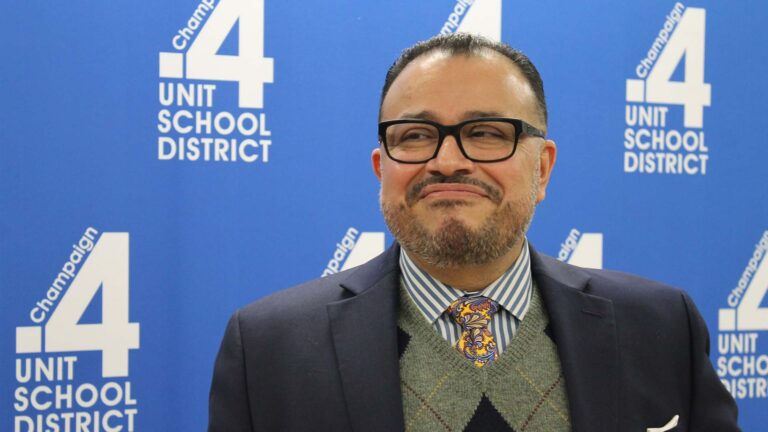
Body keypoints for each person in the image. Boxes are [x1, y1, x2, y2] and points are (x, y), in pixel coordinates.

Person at [208, 33, 740, 432]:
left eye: (485, 134)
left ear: (543, 169)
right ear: (381, 167)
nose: (447, 161)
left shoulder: (660, 327)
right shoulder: (268, 348)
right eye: (415, 135)